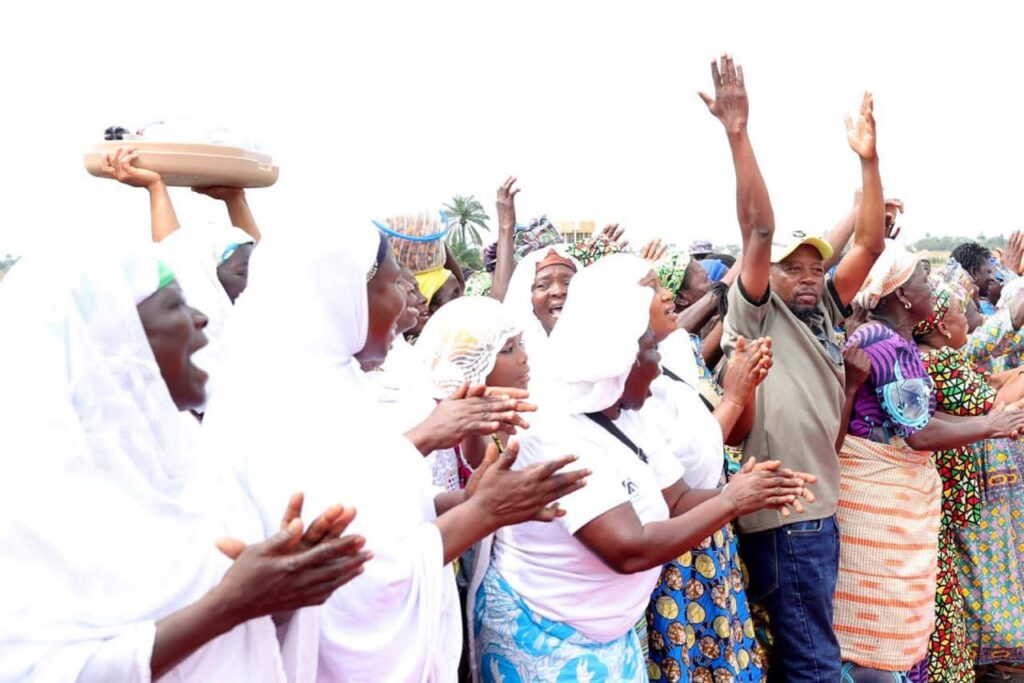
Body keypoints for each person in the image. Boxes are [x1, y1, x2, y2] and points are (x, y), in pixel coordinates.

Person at [201, 224, 588, 680]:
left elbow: (382, 502)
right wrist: (483, 513)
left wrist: (466, 500)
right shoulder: (281, 405)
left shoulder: (340, 383)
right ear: (345, 298)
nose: (405, 305)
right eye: (391, 285)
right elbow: (357, 579)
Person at [0, 245, 370, 682]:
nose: (201, 318)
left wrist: (284, 586)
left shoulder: (198, 465)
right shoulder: (30, 507)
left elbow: (240, 634)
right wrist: (229, 605)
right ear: (113, 343)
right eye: (175, 305)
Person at [473, 254, 815, 681]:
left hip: (605, 637)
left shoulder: (626, 413)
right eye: (650, 350)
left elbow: (677, 499)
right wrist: (730, 501)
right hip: (545, 635)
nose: (658, 365)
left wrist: (753, 490)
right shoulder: (555, 428)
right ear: (618, 358)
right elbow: (628, 549)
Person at [709, 51, 887, 680]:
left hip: (816, 515)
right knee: (814, 665)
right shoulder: (757, 314)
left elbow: (870, 243)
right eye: (794, 269)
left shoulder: (826, 314)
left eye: (816, 267)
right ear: (769, 276)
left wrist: (868, 161)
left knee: (805, 658)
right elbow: (759, 230)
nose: (809, 278)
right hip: (788, 521)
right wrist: (738, 133)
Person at [837, 243, 1024, 679]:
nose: (932, 284)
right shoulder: (882, 344)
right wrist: (991, 425)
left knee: (902, 615)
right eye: (923, 278)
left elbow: (919, 417)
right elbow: (919, 434)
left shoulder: (895, 342)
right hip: (878, 500)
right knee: (882, 627)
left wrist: (991, 423)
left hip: (894, 499)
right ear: (902, 295)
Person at [643, 254, 774, 680]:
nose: (666, 296)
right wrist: (734, 397)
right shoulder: (633, 372)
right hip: (678, 545)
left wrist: (745, 386)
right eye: (653, 289)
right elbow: (687, 468)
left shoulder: (680, 349)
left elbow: (731, 436)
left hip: (714, 529)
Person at [914, 284, 1024, 676]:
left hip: (968, 485)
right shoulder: (937, 361)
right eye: (963, 313)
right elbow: (996, 406)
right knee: (980, 571)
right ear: (942, 327)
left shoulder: (940, 357)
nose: (971, 319)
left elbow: (991, 386)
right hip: (967, 488)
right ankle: (995, 657)